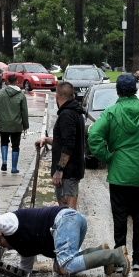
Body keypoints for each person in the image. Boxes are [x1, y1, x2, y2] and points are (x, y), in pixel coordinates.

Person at [88, 73, 139, 271]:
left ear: (118, 91)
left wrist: (107, 156)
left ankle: (119, 258)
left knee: (119, 217)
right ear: (136, 90)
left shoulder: (111, 113)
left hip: (119, 175)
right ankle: (138, 260)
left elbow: (93, 136)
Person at [0, 205, 127, 277]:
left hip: (65, 220)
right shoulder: (23, 248)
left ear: (0, 234)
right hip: (73, 221)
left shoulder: (11, 222)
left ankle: (115, 255)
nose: (5, 248)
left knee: (67, 266)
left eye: (0, 243)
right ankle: (101, 252)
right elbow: (24, 271)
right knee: (60, 268)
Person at [38, 81, 86, 209]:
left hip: (68, 173)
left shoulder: (67, 115)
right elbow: (65, 141)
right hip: (71, 170)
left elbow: (68, 145)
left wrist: (59, 170)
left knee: (68, 212)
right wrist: (47, 139)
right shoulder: (76, 112)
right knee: (66, 211)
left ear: (57, 97)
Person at [0, 78, 29, 174]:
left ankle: (4, 162)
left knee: (4, 142)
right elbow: (24, 112)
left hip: (4, 124)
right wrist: (25, 125)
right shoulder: (21, 95)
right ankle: (14, 168)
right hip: (16, 125)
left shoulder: (0, 93)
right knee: (15, 146)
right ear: (16, 82)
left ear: (7, 82)